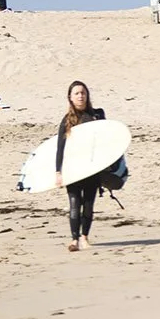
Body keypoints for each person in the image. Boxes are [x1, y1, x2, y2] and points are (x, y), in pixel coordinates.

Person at [54, 80, 107, 252]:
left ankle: (84, 237)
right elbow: (60, 148)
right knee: (75, 203)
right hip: (73, 168)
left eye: (83, 92)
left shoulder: (98, 115)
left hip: (92, 167)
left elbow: (106, 140)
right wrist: (58, 172)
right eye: (76, 93)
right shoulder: (68, 120)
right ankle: (74, 239)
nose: (80, 96)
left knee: (89, 204)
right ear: (70, 97)